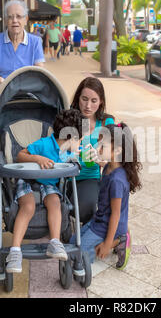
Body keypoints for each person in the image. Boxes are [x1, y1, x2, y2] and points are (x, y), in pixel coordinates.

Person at [5, 109, 86, 273]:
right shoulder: (44, 144)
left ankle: (54, 242)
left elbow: (77, 164)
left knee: (55, 202)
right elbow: (21, 155)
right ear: (70, 138)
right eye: (80, 139)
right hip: (27, 180)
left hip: (48, 184)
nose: (81, 143)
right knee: (28, 207)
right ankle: (14, 251)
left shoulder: (69, 153)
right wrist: (37, 158)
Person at [69, 122, 142, 269]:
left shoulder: (117, 181)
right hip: (99, 219)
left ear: (117, 151)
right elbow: (102, 163)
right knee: (71, 242)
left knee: (80, 253)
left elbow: (115, 214)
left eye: (103, 146)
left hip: (108, 224)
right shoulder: (109, 166)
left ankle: (119, 239)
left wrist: (107, 244)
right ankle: (115, 239)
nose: (98, 148)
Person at [68, 77, 115, 224]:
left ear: (101, 101)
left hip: (88, 178)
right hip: (62, 176)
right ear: (78, 98)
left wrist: (99, 160)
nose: (88, 106)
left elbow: (113, 162)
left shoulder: (107, 123)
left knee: (86, 208)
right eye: (84, 99)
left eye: (94, 101)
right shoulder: (69, 118)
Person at [0, 0, 44, 106]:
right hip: (0, 97)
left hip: (27, 99)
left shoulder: (35, 42)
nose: (14, 20)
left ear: (26, 19)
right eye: (10, 17)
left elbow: (40, 74)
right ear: (6, 20)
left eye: (19, 16)